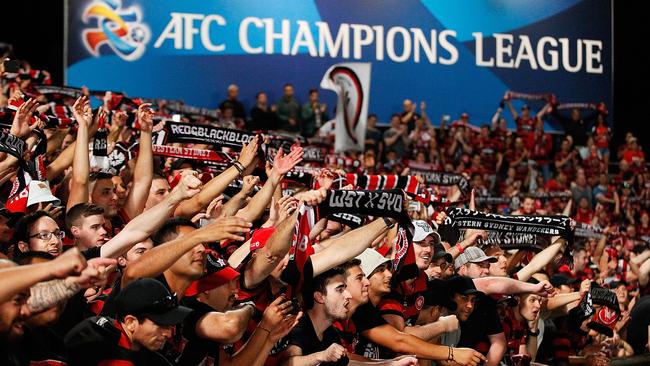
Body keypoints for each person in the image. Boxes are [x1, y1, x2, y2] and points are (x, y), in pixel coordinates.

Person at [65, 278, 192, 365]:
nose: (168, 334)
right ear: (131, 322)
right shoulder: (105, 349)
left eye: (169, 325)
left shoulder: (132, 342)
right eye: (160, 324)